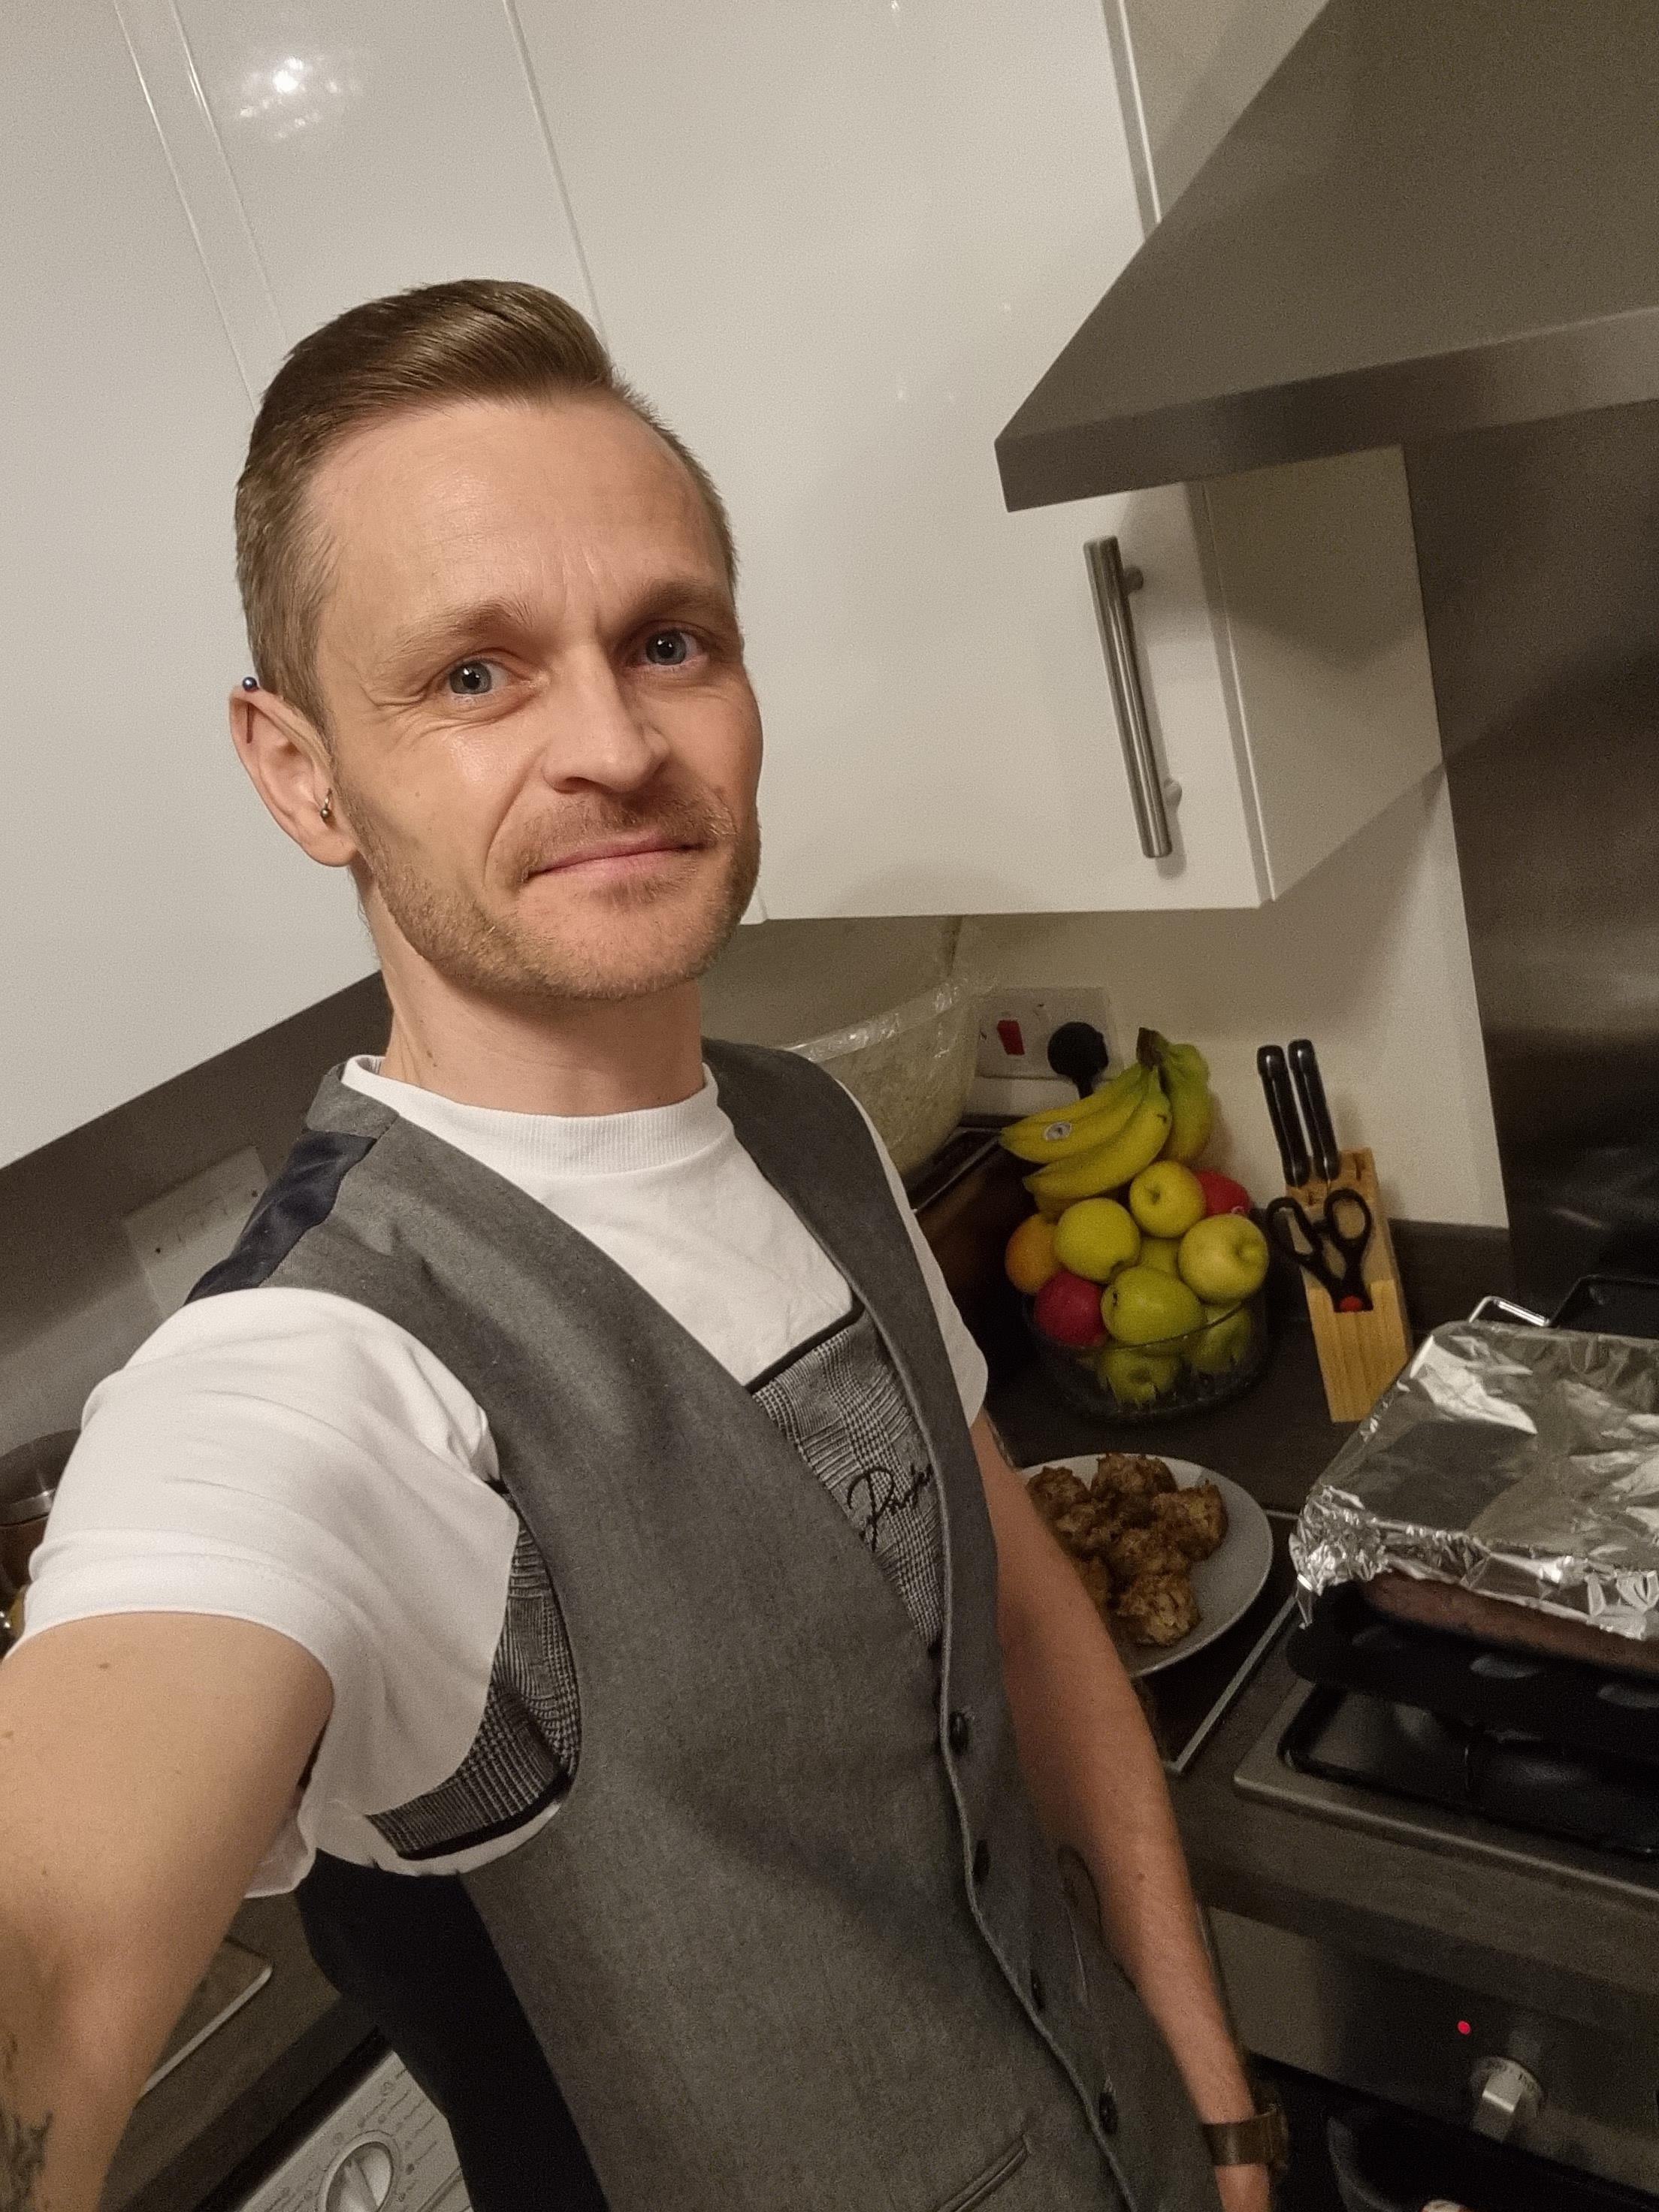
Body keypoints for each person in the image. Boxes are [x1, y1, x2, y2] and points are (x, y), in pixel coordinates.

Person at [0, 280, 1280, 2212]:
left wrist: (1218, 2112)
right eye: (475, 673)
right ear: (300, 770)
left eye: (669, 641)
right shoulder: (317, 1374)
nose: (613, 741)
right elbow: (51, 1947)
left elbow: (1028, 1627)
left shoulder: (810, 1124)